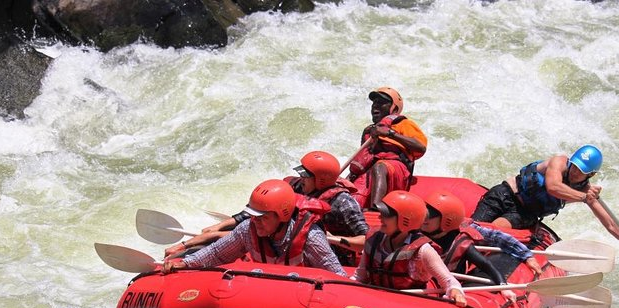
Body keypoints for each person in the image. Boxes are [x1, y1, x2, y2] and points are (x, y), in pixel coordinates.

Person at [163, 151, 368, 264]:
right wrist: (220, 225)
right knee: (224, 234)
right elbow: (259, 210)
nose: (300, 177)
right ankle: (182, 248)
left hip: (324, 249)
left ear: (321, 179)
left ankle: (185, 248)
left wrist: (332, 239)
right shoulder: (294, 186)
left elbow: (366, 241)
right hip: (282, 238)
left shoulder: (342, 203)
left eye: (305, 174)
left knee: (226, 238)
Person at [472, 145, 619, 263]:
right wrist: (584, 198)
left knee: (493, 231)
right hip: (505, 194)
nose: (575, 172)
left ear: (590, 175)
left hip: (523, 215)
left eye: (581, 171)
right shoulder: (559, 162)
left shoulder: (586, 190)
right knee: (470, 230)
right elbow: (553, 187)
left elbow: (611, 224)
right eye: (574, 166)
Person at [162, 179, 347, 276]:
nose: (254, 221)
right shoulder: (247, 229)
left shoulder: (311, 237)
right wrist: (184, 263)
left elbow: (336, 274)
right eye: (253, 215)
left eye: (262, 217)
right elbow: (216, 254)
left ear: (282, 215)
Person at [422, 190, 546, 303]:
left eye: (430, 215)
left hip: (445, 281)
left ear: (447, 221)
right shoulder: (415, 231)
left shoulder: (463, 242)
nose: (424, 219)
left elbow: (487, 264)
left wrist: (504, 287)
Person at [352, 190, 467, 307]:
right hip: (375, 302)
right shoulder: (374, 238)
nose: (380, 217)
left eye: (386, 215)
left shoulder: (423, 251)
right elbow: (360, 276)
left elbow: (449, 281)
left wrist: (456, 292)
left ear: (404, 221)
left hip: (406, 307)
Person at [347, 87, 428, 209]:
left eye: (381, 103)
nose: (375, 106)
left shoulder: (403, 124)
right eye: (374, 103)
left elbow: (420, 147)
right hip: (373, 171)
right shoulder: (369, 131)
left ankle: (376, 208)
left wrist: (390, 133)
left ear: (394, 108)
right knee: (346, 189)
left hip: (396, 170)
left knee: (380, 167)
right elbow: (362, 160)